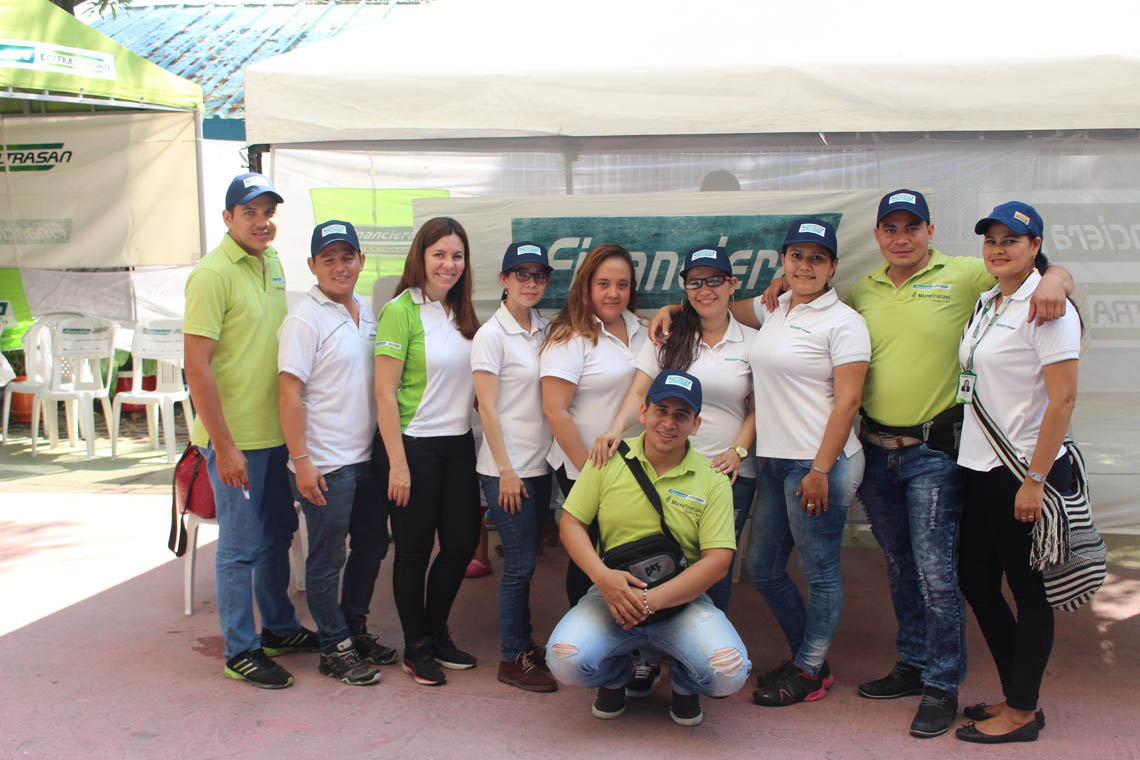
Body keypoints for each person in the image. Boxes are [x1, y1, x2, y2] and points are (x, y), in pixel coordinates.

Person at [648, 189, 1073, 737]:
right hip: (873, 450)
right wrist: (672, 307)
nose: (901, 237)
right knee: (886, 566)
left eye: (911, 227)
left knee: (935, 573)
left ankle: (939, 685)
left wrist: (1056, 275)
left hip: (923, 452)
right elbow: (717, 304)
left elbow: (1025, 270)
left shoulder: (963, 276)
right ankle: (910, 663)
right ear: (875, 237)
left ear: (929, 231)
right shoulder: (844, 294)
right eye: (890, 228)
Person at [545, 370, 752, 727]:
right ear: (643, 412)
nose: (669, 423)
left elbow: (718, 562)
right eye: (661, 410)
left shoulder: (712, 479)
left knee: (728, 671)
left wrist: (648, 603)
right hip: (611, 593)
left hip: (679, 601)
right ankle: (614, 677)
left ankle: (685, 685)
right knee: (565, 659)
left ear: (695, 424)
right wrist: (603, 579)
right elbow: (571, 523)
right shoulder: (608, 459)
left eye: (681, 415)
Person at [184, 172, 317, 689]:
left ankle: (279, 628)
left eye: (269, 212)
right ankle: (241, 649)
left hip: (274, 435)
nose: (262, 222)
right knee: (238, 549)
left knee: (278, 536)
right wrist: (224, 446)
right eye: (250, 213)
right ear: (227, 218)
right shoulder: (211, 275)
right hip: (234, 442)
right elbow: (198, 367)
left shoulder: (273, 261)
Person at [954, 202, 1080, 744]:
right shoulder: (989, 301)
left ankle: (1023, 711)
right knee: (977, 580)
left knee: (1030, 594)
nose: (999, 248)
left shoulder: (1049, 307)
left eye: (1013, 240)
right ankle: (1017, 693)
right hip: (979, 465)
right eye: (992, 240)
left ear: (1035, 248)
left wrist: (1035, 478)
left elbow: (1064, 399)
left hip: (1019, 469)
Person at [588, 245, 757, 617]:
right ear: (685, 288)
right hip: (668, 469)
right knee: (663, 558)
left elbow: (758, 409)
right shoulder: (667, 336)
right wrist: (616, 430)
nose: (705, 290)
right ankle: (656, 641)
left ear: (732, 284)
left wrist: (738, 453)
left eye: (715, 280)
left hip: (725, 474)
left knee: (714, 568)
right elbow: (639, 392)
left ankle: (705, 654)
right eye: (695, 282)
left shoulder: (753, 342)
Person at [743, 219, 869, 707]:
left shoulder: (844, 322)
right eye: (797, 256)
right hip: (776, 459)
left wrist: (819, 470)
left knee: (820, 572)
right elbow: (715, 306)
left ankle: (810, 670)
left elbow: (848, 402)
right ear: (784, 262)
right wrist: (672, 307)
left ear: (833, 266)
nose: (806, 265)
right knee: (762, 567)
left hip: (821, 465)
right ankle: (807, 658)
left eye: (817, 258)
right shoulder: (776, 307)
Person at [277, 220, 397, 686]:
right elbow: (288, 394)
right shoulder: (304, 319)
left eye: (347, 257)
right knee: (327, 559)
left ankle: (353, 628)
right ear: (312, 265)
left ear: (361, 262)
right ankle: (333, 646)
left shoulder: (366, 311)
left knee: (370, 547)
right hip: (325, 464)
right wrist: (301, 460)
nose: (339, 267)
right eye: (328, 259)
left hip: (365, 458)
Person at [373, 216, 482, 687]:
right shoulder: (400, 310)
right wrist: (397, 462)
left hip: (457, 444)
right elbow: (383, 394)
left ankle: (436, 632)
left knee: (460, 545)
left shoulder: (462, 312)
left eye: (456, 255)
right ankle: (415, 645)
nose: (448, 263)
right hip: (412, 446)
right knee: (414, 551)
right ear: (421, 257)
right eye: (439, 253)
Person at [539, 243, 647, 607]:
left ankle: (626, 633)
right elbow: (555, 411)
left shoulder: (643, 329)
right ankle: (583, 634)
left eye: (622, 284)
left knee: (625, 549)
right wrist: (590, 473)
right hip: (582, 464)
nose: (613, 293)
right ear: (586, 286)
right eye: (603, 283)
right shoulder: (570, 336)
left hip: (632, 465)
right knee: (591, 554)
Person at [472, 242, 557, 693]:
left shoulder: (544, 328)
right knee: (520, 565)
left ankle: (523, 643)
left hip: (538, 466)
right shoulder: (492, 336)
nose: (530, 283)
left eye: (538, 275)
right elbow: (486, 409)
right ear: (503, 280)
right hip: (508, 471)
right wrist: (505, 470)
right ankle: (511, 657)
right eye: (520, 274)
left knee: (528, 563)